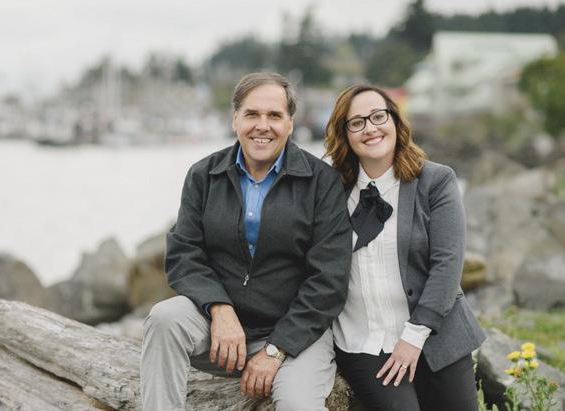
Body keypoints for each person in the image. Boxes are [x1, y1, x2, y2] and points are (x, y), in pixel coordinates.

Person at [140, 72, 352, 410]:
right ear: (235, 118)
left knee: (298, 406)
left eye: (274, 115)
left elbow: (329, 280)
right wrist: (219, 309)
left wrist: (275, 350)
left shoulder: (321, 182)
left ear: (291, 123)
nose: (262, 126)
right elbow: (183, 253)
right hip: (219, 331)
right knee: (164, 319)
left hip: (296, 334)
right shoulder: (203, 175)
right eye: (252, 114)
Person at [324, 84, 487, 410]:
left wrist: (413, 338)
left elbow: (447, 266)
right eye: (357, 122)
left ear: (395, 121)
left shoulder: (436, 181)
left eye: (378, 116)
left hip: (437, 336)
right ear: (344, 134)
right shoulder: (330, 191)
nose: (370, 128)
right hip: (364, 342)